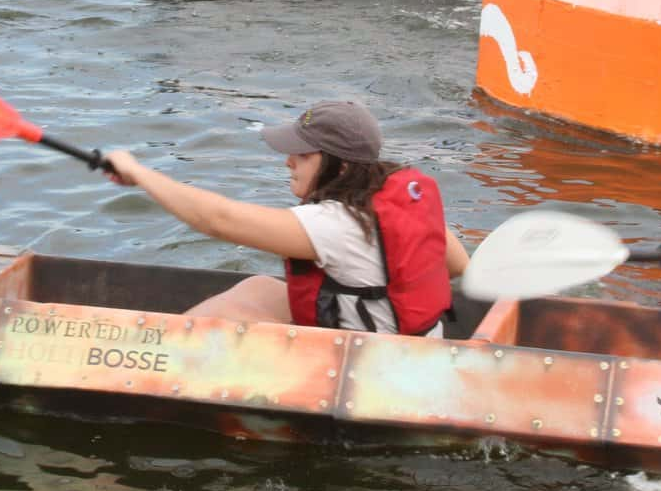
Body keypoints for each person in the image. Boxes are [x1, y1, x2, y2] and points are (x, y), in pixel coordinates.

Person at [102, 100, 472, 335]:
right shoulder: (397, 197)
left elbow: (217, 220)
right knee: (258, 288)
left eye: (303, 154)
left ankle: (154, 361)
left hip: (377, 367)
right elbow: (456, 265)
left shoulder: (336, 224)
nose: (288, 160)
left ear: (339, 166)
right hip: (413, 343)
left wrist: (140, 174)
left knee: (228, 316)